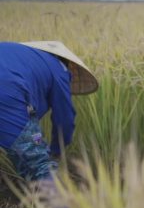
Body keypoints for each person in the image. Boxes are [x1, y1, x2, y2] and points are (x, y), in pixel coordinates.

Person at [0, 41, 98, 193]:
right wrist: (57, 150)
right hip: (6, 93)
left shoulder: (21, 55)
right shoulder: (58, 68)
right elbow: (64, 118)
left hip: (7, 89)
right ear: (66, 61)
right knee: (38, 164)